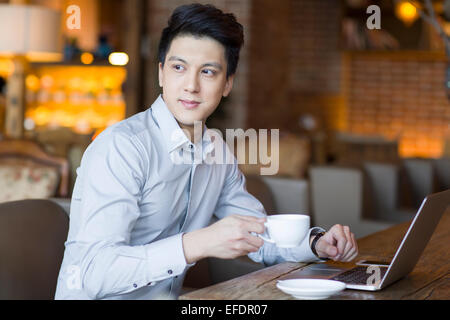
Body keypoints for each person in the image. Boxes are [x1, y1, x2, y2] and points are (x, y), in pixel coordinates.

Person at [55, 3, 358, 300]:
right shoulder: (121, 147)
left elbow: (258, 236)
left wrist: (316, 244)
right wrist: (195, 244)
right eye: (178, 68)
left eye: (208, 72)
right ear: (161, 74)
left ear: (227, 84)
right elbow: (92, 273)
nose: (191, 85)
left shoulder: (215, 151)